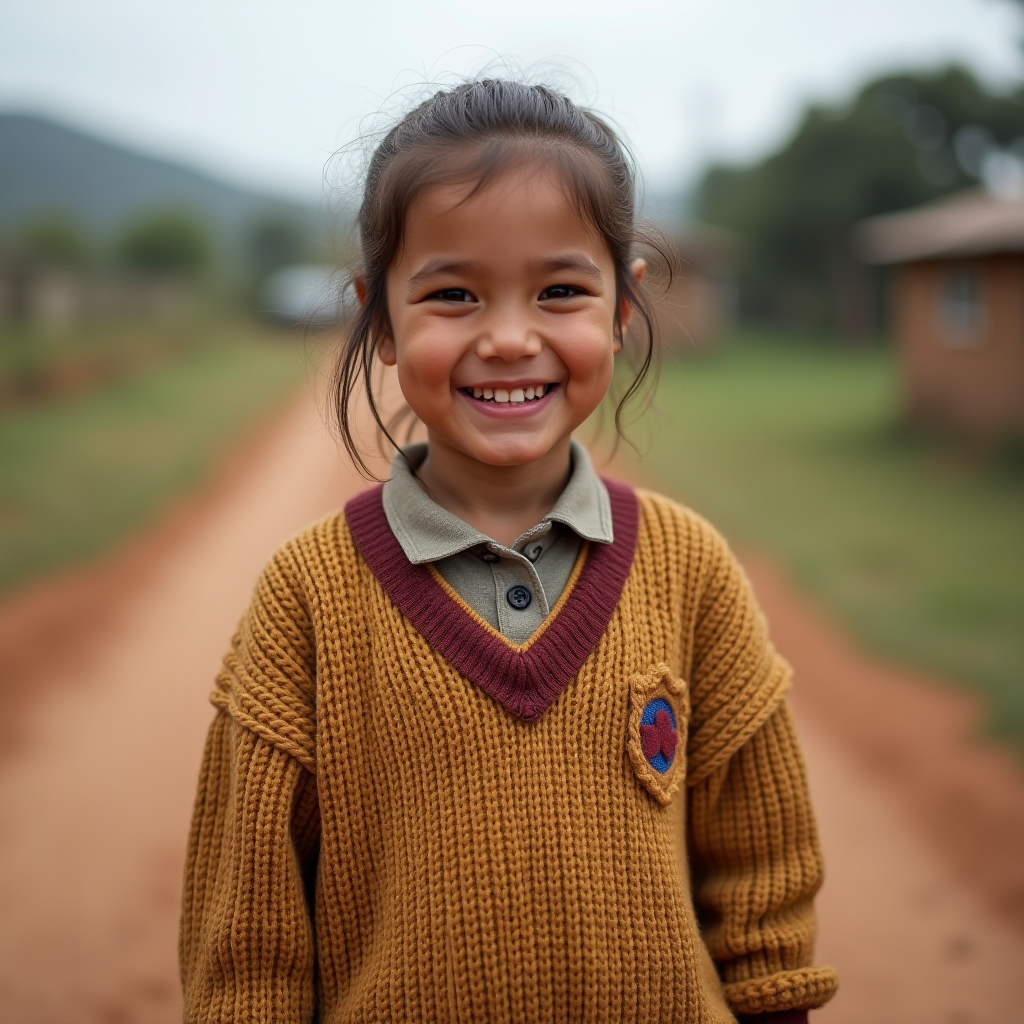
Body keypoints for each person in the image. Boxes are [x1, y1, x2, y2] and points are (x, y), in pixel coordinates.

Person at [179, 79, 838, 1024]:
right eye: (453, 295)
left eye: (561, 291)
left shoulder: (689, 569)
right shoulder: (308, 597)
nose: (509, 337)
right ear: (380, 318)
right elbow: (248, 930)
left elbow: (764, 872)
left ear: (621, 306)